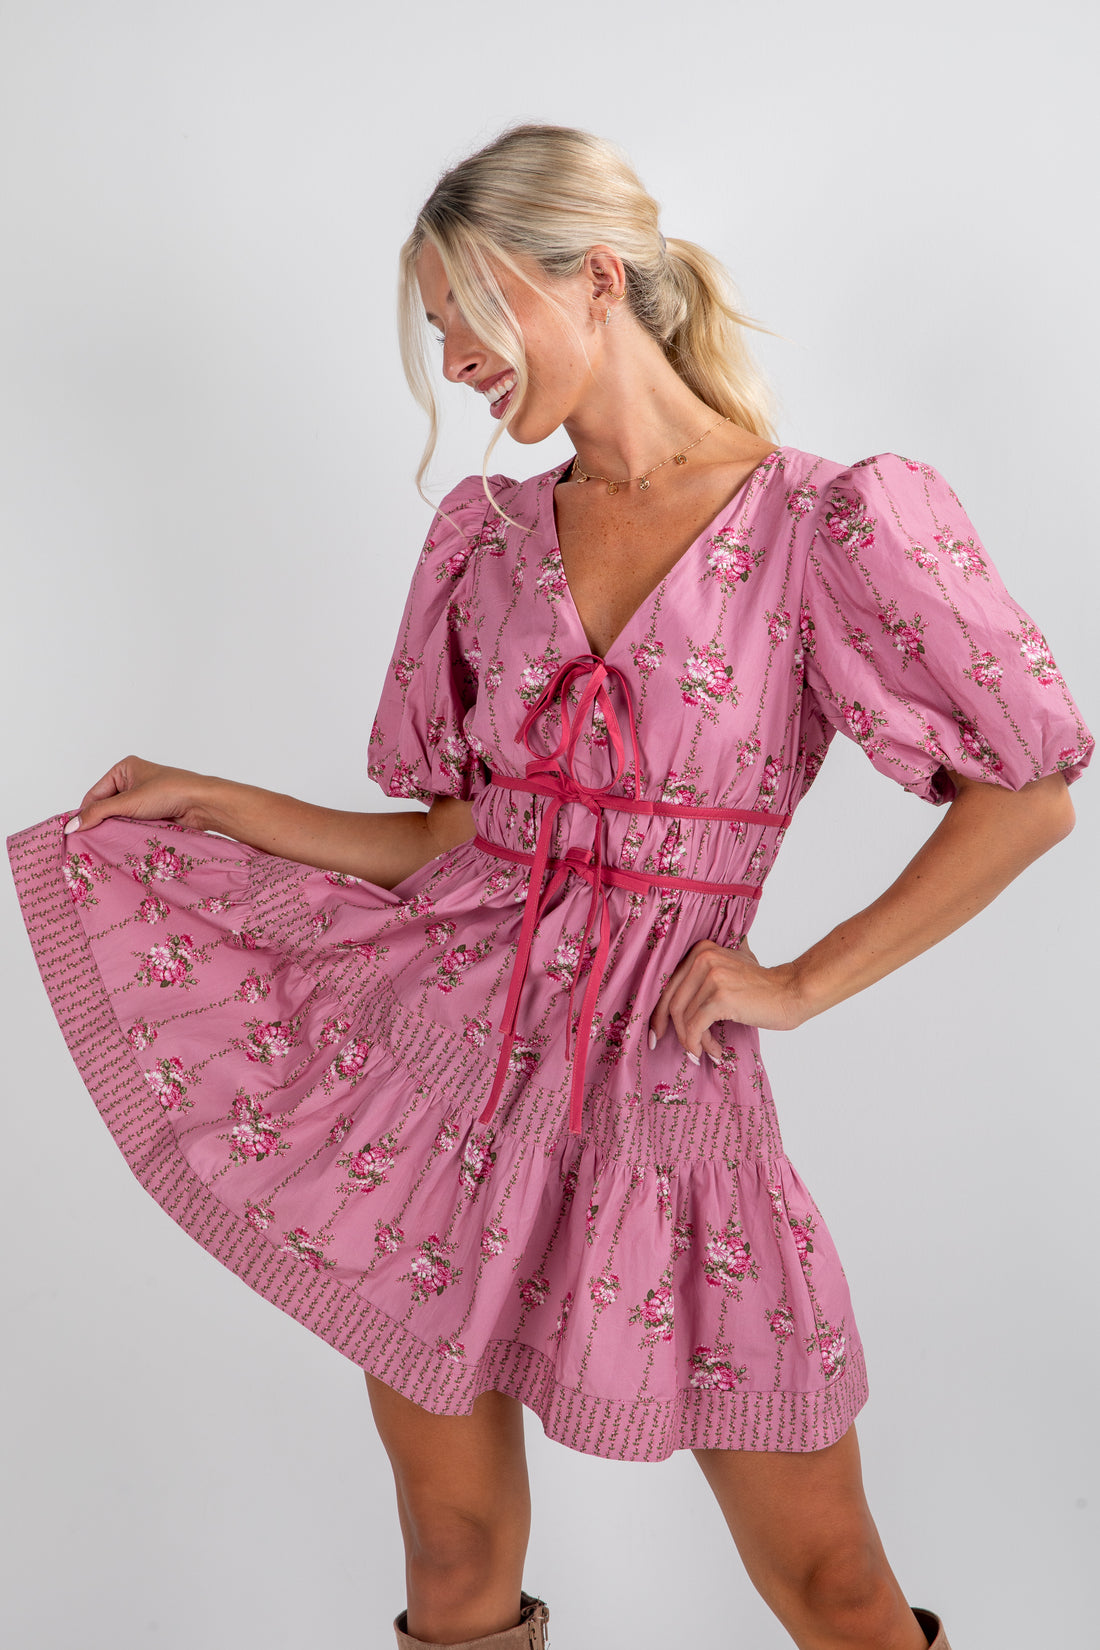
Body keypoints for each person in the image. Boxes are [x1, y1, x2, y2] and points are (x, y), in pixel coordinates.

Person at [7, 122, 1093, 1650]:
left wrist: (801, 978)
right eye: (432, 326)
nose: (449, 355)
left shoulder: (826, 526)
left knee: (833, 1576)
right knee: (452, 1554)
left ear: (596, 279)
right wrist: (222, 800)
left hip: (669, 1091)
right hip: (448, 1081)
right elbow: (460, 843)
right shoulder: (489, 540)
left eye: (465, 311)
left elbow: (1029, 796)